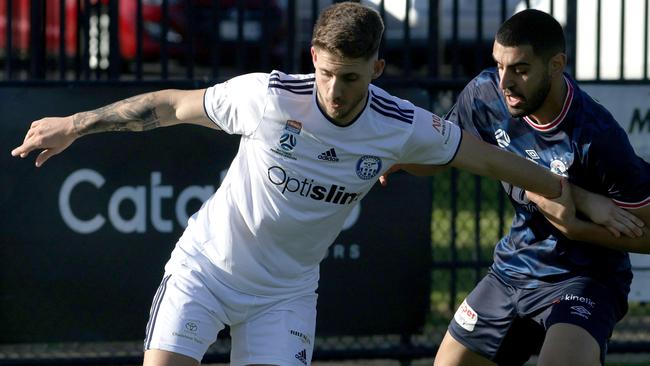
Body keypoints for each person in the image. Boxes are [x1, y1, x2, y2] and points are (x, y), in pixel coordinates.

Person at [9, 3, 639, 366]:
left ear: (379, 70)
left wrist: (574, 194)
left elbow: (491, 162)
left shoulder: (400, 124)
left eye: (355, 79)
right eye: (330, 74)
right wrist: (76, 123)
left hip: (285, 296)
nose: (339, 93)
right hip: (205, 271)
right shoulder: (266, 97)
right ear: (315, 57)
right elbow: (168, 106)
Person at [424, 9, 650, 366]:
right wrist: (392, 157)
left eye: (520, 69)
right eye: (499, 65)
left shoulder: (598, 137)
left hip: (585, 279)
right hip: (513, 269)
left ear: (557, 64)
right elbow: (442, 151)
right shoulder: (485, 95)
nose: (505, 82)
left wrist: (578, 228)